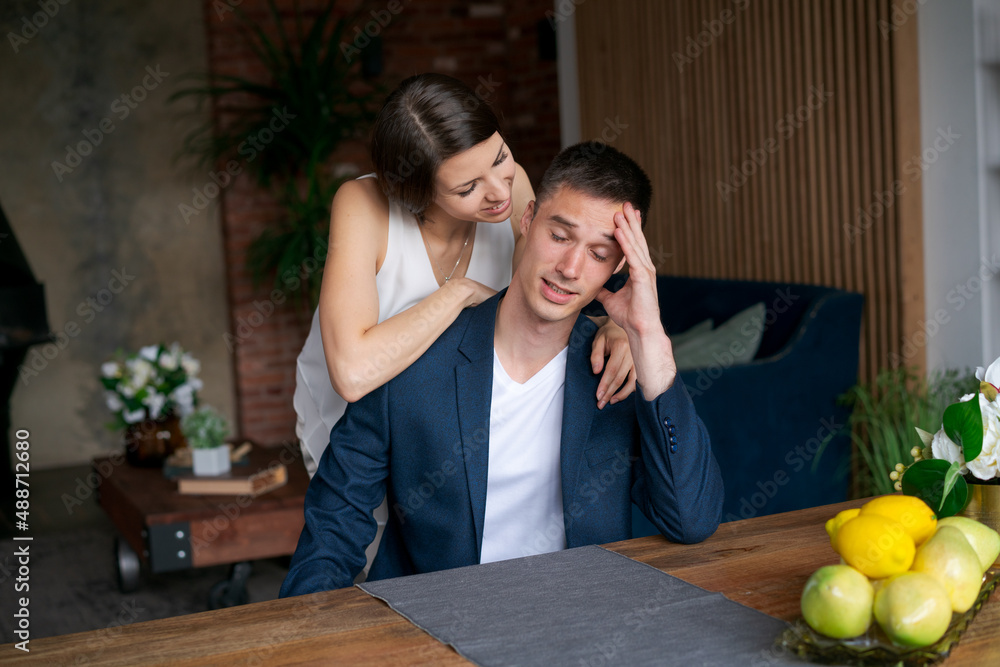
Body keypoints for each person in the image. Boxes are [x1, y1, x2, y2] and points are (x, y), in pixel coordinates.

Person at [280, 142, 725, 596]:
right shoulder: (411, 363)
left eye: (598, 253)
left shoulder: (620, 373)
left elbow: (690, 520)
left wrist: (649, 338)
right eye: (560, 235)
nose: (570, 268)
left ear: (620, 265)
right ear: (527, 220)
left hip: (583, 621)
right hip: (435, 628)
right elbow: (330, 538)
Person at [296, 74, 637, 477]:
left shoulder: (514, 188)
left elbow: (546, 304)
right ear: (415, 193)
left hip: (447, 435)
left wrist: (613, 327)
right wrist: (459, 294)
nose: (499, 192)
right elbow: (352, 375)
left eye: (499, 158)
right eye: (467, 187)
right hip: (353, 437)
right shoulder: (363, 205)